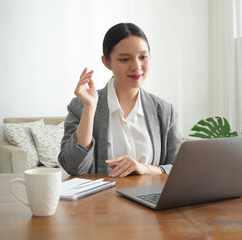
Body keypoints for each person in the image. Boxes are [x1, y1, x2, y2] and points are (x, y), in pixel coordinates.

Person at [58, 23, 182, 178]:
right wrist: (89, 108)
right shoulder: (79, 106)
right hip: (100, 201)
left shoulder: (165, 111)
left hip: (150, 199)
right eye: (124, 59)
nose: (136, 67)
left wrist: (145, 168)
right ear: (107, 62)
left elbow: (180, 167)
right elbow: (72, 167)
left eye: (143, 57)